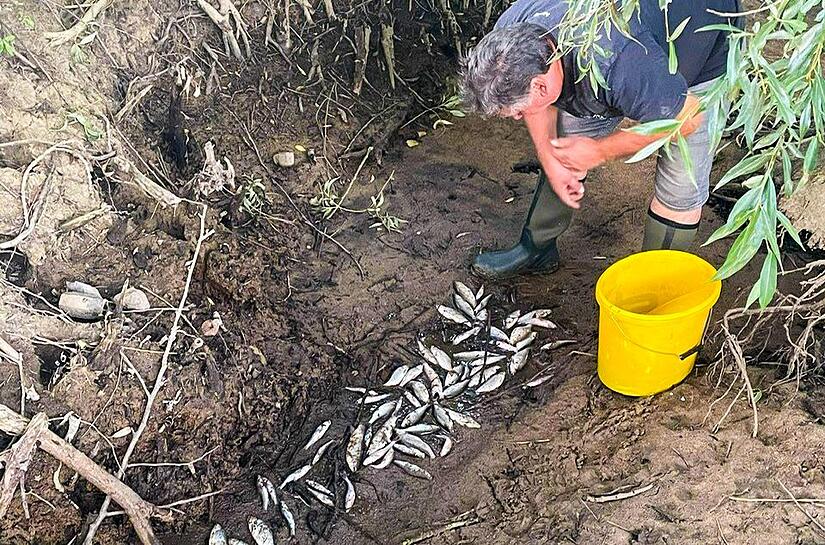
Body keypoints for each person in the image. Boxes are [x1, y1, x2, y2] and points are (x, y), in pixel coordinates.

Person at [461, 0, 742, 279]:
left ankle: (655, 284)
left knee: (680, 186)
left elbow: (688, 118)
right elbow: (536, 104)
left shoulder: (620, 61)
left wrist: (601, 150)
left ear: (541, 86)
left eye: (518, 112)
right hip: (616, 64)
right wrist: (549, 156)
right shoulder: (510, 35)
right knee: (563, 151)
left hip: (699, 48)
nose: (518, 118)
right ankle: (536, 250)